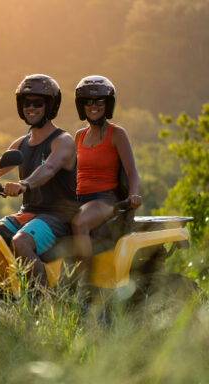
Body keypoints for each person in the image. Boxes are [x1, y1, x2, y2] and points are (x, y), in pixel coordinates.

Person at [0, 74, 77, 287]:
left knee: (21, 242)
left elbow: (49, 168)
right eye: (26, 103)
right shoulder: (21, 143)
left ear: (50, 106)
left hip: (57, 216)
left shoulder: (62, 141)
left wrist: (23, 185)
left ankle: (42, 306)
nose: (31, 108)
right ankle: (1, 296)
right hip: (28, 214)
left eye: (38, 103)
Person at [72, 75, 142, 285]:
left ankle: (85, 285)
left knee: (79, 223)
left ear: (108, 105)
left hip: (106, 200)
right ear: (81, 106)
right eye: (89, 102)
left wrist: (133, 194)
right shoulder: (78, 136)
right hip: (79, 198)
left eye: (100, 102)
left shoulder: (117, 134)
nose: (94, 106)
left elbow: (132, 171)